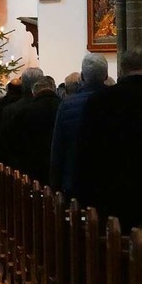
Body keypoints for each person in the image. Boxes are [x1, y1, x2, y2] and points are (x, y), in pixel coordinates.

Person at [76, 49, 142, 231]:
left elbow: (86, 155)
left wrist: (87, 199)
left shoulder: (100, 102)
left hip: (113, 199)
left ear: (121, 71)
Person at [50, 53, 108, 195]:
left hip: (74, 179)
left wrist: (55, 185)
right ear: (106, 76)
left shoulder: (67, 105)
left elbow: (58, 146)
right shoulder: (117, 101)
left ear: (82, 77)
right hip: (108, 179)